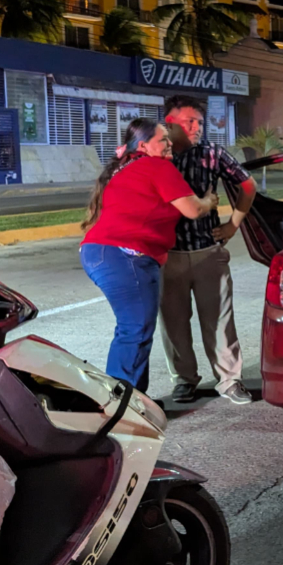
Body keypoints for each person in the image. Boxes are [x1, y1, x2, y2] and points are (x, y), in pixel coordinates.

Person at [80, 118, 218, 394]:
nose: (170, 144)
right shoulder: (156, 165)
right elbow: (191, 209)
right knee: (135, 331)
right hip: (126, 256)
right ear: (144, 145)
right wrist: (209, 201)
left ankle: (134, 400)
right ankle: (120, 406)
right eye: (163, 139)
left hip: (101, 253)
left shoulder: (124, 168)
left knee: (133, 330)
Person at [160, 96, 258, 406]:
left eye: (199, 122)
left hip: (207, 251)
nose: (196, 127)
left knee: (218, 320)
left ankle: (230, 380)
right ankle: (184, 380)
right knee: (173, 323)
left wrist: (233, 225)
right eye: (189, 121)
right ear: (170, 122)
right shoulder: (156, 156)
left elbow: (247, 186)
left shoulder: (212, 154)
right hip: (166, 255)